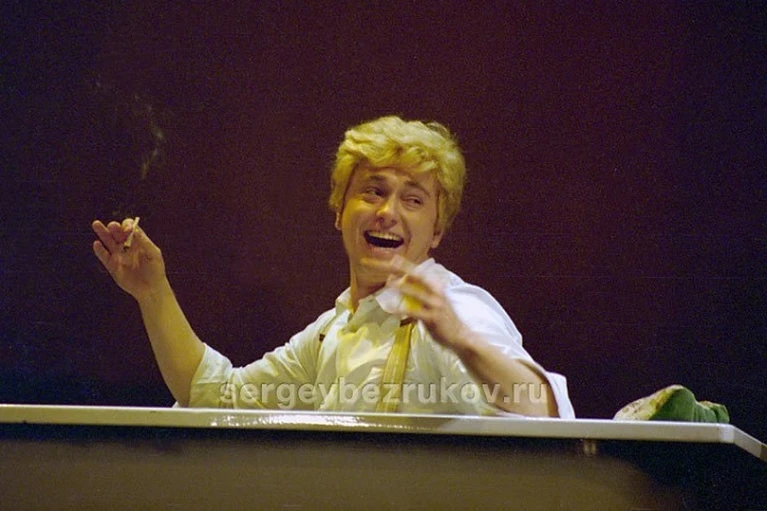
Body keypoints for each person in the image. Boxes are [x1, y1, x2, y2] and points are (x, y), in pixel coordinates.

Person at [92, 115, 575, 418]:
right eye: (373, 191)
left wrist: (462, 340)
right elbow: (215, 396)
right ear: (340, 211)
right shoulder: (332, 332)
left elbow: (545, 410)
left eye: (413, 200)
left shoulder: (454, 308)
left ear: (436, 233)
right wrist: (152, 293)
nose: (388, 212)